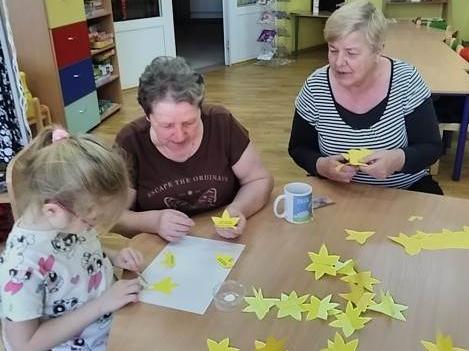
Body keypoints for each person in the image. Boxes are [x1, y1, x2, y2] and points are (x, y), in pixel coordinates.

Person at [0, 127, 144, 351]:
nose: (93, 228)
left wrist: (114, 256)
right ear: (52, 211)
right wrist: (101, 305)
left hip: (113, 321)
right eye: (91, 221)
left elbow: (77, 249)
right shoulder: (22, 267)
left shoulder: (68, 218)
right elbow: (24, 345)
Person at [288, 0, 443, 195]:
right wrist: (321, 166)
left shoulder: (406, 80)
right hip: (337, 191)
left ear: (378, 51)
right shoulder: (315, 86)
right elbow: (299, 148)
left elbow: (431, 147)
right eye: (333, 50)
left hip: (405, 190)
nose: (338, 62)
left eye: (351, 53)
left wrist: (397, 159)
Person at [115, 56, 273, 241]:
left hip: (223, 239)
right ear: (148, 116)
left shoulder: (221, 123)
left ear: (200, 109)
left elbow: (259, 179)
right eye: (167, 126)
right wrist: (153, 222)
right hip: (163, 248)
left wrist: (238, 209)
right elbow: (114, 216)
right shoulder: (130, 142)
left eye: (189, 122)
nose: (180, 136)